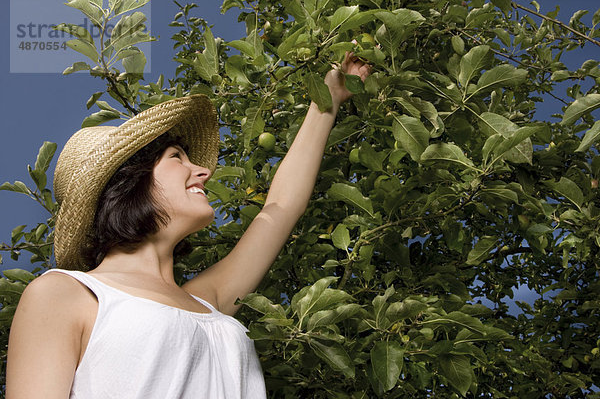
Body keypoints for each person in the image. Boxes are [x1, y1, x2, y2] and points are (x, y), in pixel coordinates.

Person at [5, 52, 370, 398]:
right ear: (130, 181)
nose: (204, 171)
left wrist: (329, 98)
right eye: (177, 157)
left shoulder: (206, 303)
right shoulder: (66, 294)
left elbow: (281, 207)